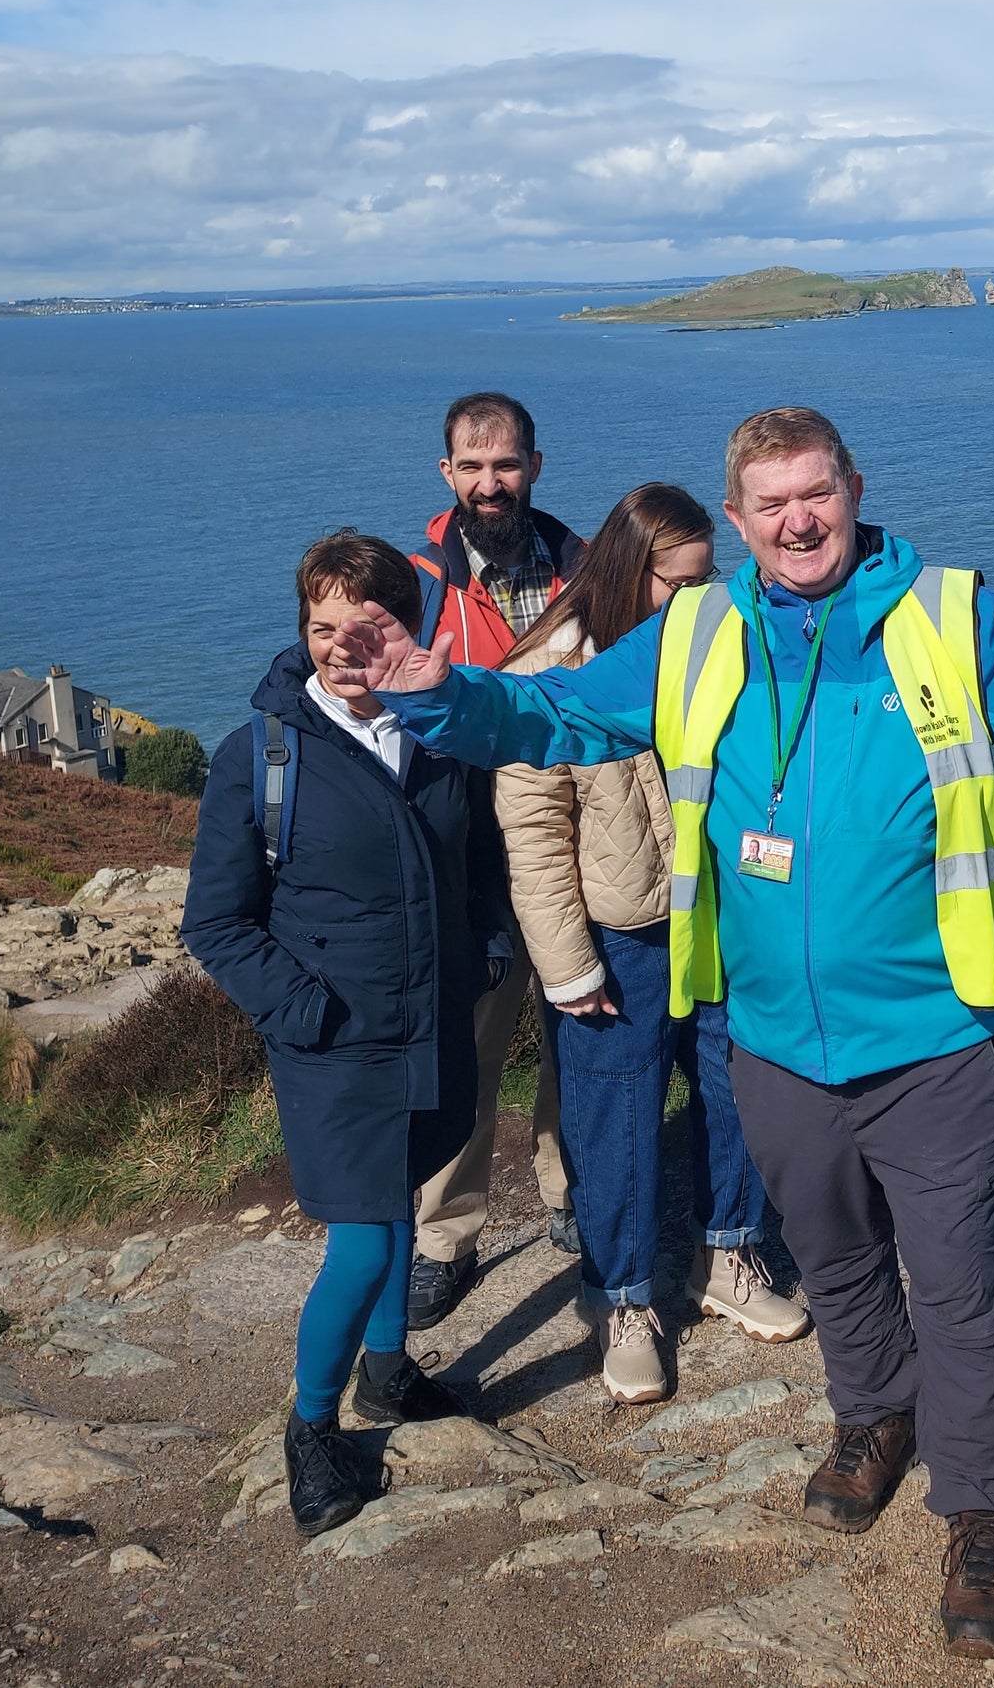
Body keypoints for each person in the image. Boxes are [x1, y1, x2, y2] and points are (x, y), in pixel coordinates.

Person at [327, 407, 994, 1661]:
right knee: (831, 1254)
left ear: (853, 487)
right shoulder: (696, 630)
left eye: (814, 494)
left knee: (969, 1280)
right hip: (767, 1035)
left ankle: (986, 1510)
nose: (797, 521)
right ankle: (876, 1414)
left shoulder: (943, 612)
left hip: (930, 1029)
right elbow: (557, 719)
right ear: (743, 514)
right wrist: (444, 694)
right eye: (768, 505)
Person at [182, 533, 508, 1536]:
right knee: (366, 1242)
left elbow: (480, 862)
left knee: (408, 1196)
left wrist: (488, 950)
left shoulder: (442, 731)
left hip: (432, 1017)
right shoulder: (262, 757)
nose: (340, 647)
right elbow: (216, 919)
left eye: (364, 625)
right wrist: (303, 1010)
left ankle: (387, 1372)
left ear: (405, 627)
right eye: (320, 627)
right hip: (333, 1042)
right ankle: (312, 1427)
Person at [494, 482, 809, 1405]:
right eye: (685, 580)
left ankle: (730, 1256)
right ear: (635, 573)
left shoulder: (716, 648)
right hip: (615, 934)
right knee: (614, 1122)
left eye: (712, 576)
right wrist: (566, 965)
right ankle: (620, 1298)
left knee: (735, 1092)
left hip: (716, 914)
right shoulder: (550, 674)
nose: (706, 596)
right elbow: (535, 831)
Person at [404, 391, 587, 1330]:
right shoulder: (414, 582)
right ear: (447, 475)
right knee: (467, 1054)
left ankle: (570, 1192)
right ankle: (446, 1237)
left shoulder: (591, 570)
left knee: (579, 1029)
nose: (490, 484)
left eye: (505, 465)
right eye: (471, 468)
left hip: (572, 841)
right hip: (467, 856)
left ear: (535, 466)